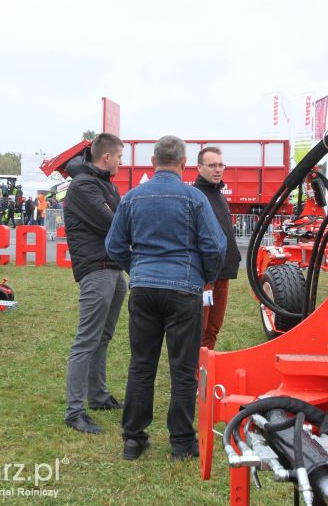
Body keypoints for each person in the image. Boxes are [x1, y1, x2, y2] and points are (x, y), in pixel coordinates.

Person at [105, 135, 226, 461]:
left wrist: (138, 270)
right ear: (185, 164)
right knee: (183, 370)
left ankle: (133, 440)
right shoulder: (194, 198)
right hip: (184, 290)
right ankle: (181, 445)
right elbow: (215, 246)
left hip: (143, 289)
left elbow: (114, 245)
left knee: (141, 366)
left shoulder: (132, 198)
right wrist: (206, 278)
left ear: (152, 162)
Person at [63, 133, 127, 435]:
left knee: (103, 337)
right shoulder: (83, 186)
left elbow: (120, 217)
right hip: (96, 269)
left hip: (112, 268)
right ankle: (75, 411)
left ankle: (98, 396)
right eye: (119, 157)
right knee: (87, 340)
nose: (121, 162)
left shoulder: (103, 184)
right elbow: (114, 222)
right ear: (106, 157)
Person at [193, 146, 240, 350]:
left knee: (213, 329)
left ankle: (204, 372)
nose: (218, 169)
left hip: (223, 274)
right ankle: (193, 376)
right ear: (199, 168)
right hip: (205, 277)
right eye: (212, 165)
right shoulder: (195, 196)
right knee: (199, 330)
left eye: (221, 165)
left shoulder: (219, 195)